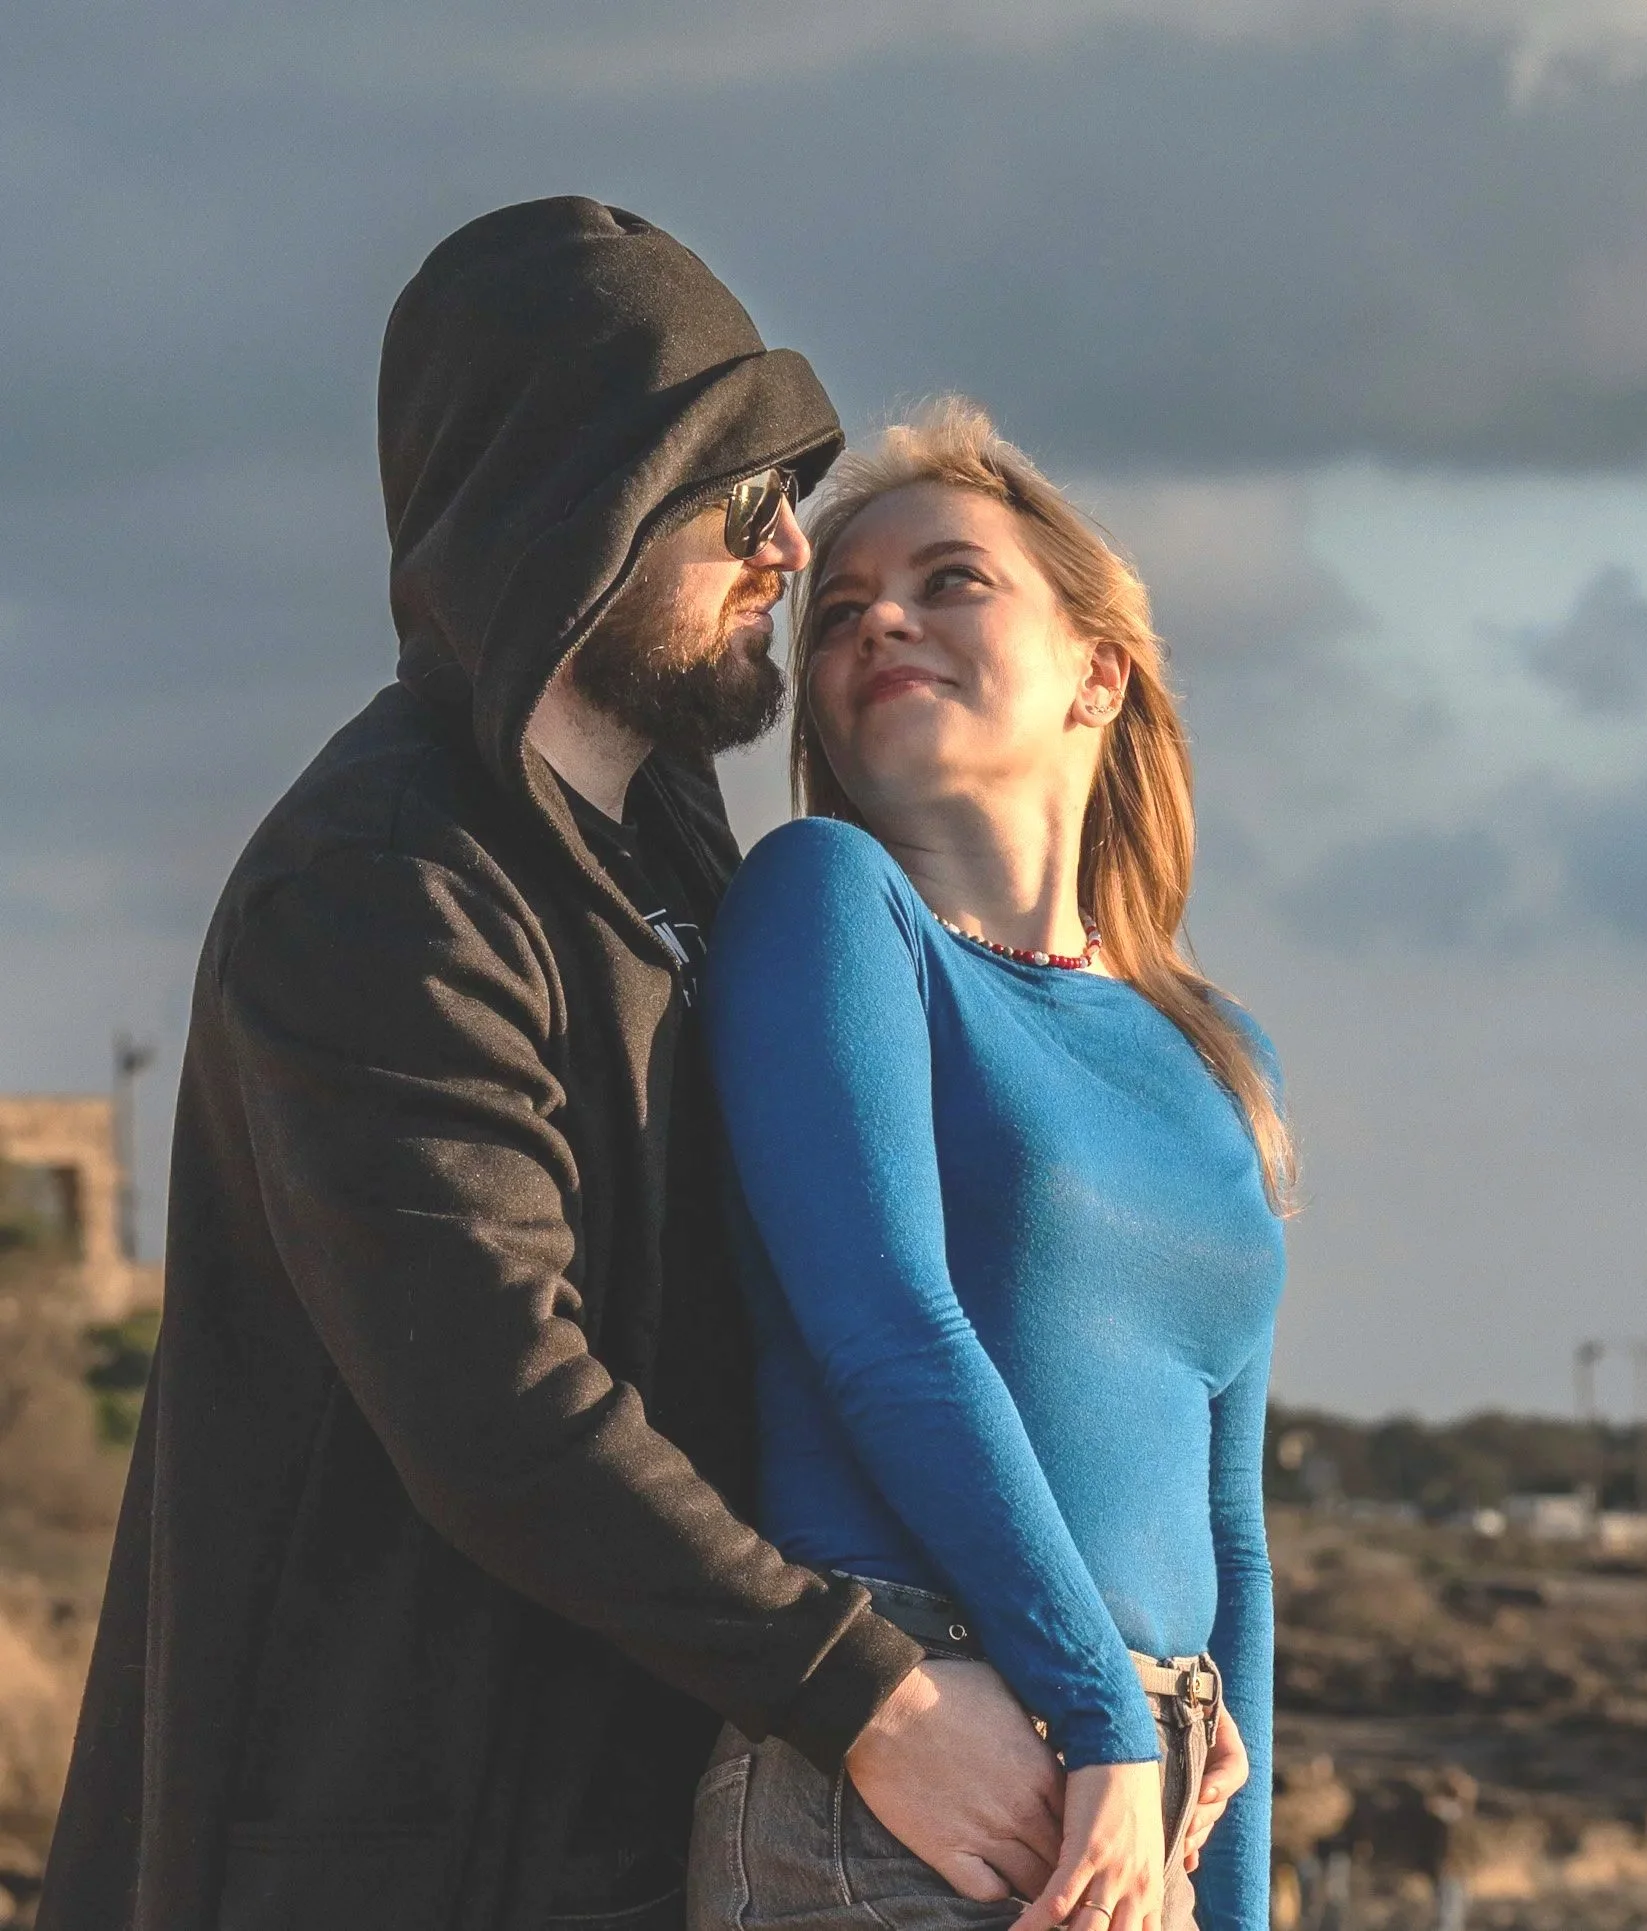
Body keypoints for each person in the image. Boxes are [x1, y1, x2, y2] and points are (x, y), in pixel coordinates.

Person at [41, 202, 1066, 1931]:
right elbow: (503, 1399)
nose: (786, 554)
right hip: (386, 1852)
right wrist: (874, 1698)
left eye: (787, 499)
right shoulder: (381, 882)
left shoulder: (672, 860)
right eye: (738, 500)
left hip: (618, 1824)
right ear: (569, 513)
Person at [691, 402, 1292, 1931]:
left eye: (950, 578)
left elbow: (1229, 1526)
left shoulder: (1216, 1052)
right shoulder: (827, 904)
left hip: (1145, 1778)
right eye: (836, 612)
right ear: (817, 717)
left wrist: (1223, 1896)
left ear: (1100, 667)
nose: (880, 613)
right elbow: (886, 1331)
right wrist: (1096, 1718)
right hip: (913, 1762)